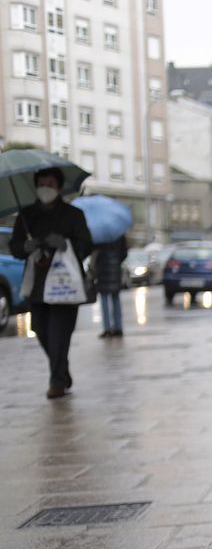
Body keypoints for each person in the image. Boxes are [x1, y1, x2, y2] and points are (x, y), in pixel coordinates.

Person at [9, 168, 94, 399]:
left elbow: (86, 245)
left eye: (50, 183)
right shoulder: (26, 216)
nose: (46, 187)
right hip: (37, 285)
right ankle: (62, 370)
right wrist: (25, 247)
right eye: (42, 183)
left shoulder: (73, 215)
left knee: (59, 334)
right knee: (41, 330)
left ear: (59, 186)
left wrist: (66, 245)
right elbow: (15, 246)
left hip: (65, 286)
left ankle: (56, 382)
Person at [92, 234, 128, 338]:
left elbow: (94, 252)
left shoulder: (98, 235)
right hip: (115, 269)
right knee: (116, 298)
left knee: (104, 299)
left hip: (102, 271)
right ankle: (118, 327)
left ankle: (107, 328)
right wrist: (117, 260)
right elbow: (124, 253)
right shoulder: (119, 234)